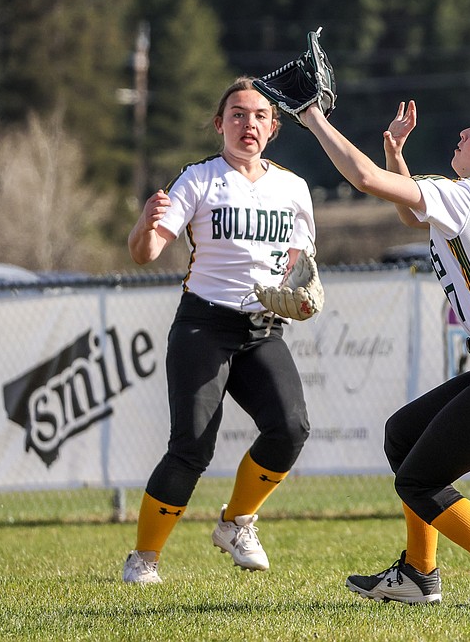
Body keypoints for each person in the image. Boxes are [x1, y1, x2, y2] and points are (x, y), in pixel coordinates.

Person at [298, 97, 470, 609]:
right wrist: (396, 154)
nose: (464, 132)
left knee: (420, 479)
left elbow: (362, 179)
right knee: (403, 437)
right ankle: (418, 575)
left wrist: (313, 117)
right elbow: (409, 215)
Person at [121, 77, 315, 585]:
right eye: (236, 114)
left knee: (291, 427)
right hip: (203, 325)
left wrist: (301, 292)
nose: (247, 123)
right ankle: (143, 559)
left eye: (258, 116)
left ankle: (236, 522)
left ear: (273, 128)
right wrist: (143, 224)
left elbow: (298, 269)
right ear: (219, 124)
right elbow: (146, 253)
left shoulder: (293, 189)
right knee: (192, 446)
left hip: (261, 329)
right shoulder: (200, 179)